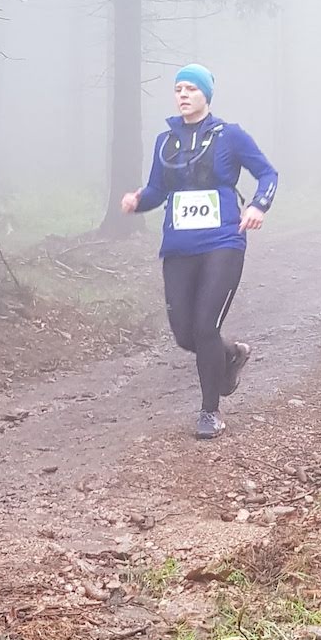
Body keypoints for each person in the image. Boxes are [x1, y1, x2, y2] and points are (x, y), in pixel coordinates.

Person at [122, 65, 277, 439]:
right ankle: (231, 354)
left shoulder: (230, 136)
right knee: (185, 334)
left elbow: (268, 174)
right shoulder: (165, 141)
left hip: (223, 243)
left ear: (206, 94)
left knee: (205, 326)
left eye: (191, 88)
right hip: (179, 247)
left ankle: (210, 412)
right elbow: (157, 190)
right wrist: (138, 201)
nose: (183, 94)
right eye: (178, 89)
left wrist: (258, 205)